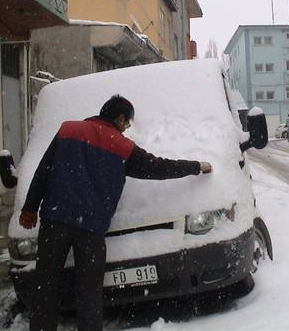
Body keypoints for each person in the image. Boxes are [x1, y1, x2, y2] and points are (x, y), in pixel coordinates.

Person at [19, 95, 212, 331]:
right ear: (120, 118)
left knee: (46, 286)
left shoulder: (68, 130)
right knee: (89, 292)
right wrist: (195, 167)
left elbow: (43, 170)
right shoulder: (122, 147)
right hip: (91, 230)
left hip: (55, 222)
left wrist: (29, 208)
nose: (126, 129)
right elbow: (159, 167)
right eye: (127, 123)